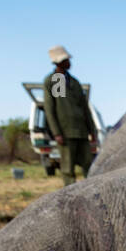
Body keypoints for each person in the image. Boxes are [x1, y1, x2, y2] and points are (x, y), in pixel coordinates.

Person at [42, 46, 98, 186]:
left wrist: (92, 130)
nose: (69, 62)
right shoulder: (57, 80)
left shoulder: (74, 82)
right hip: (66, 133)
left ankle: (91, 191)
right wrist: (57, 133)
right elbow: (54, 109)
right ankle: (71, 198)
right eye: (66, 60)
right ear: (58, 62)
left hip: (81, 131)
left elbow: (84, 108)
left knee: (88, 165)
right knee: (68, 168)